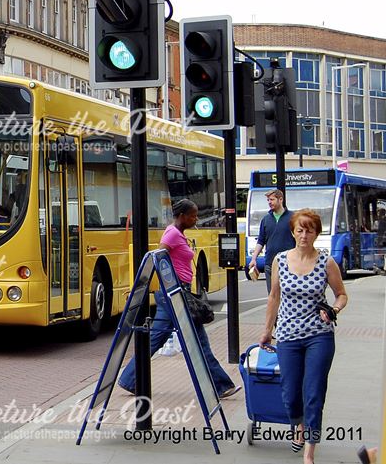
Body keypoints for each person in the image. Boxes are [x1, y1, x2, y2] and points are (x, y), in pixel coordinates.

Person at [118, 199, 240, 399]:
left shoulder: (178, 234)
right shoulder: (172, 234)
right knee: (198, 341)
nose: (196, 219)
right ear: (182, 216)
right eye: (193, 215)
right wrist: (169, 282)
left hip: (174, 293)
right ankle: (221, 385)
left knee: (159, 339)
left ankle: (129, 379)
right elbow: (159, 256)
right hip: (174, 294)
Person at [260, 209, 347, 464]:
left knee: (314, 392)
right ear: (293, 232)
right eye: (300, 230)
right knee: (290, 394)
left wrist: (334, 309)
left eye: (310, 230)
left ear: (316, 233)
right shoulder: (280, 260)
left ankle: (309, 450)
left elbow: (341, 294)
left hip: (318, 335)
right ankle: (297, 425)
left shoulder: (326, 262)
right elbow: (274, 297)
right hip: (287, 335)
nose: (304, 235)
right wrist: (267, 331)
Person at [249, 188, 295, 293]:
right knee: (272, 296)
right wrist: (254, 259)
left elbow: (298, 240)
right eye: (268, 200)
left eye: (272, 199)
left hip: (289, 264)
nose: (269, 202)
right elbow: (261, 241)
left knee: (288, 295)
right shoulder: (266, 219)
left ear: (280, 199)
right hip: (270, 264)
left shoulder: (293, 217)